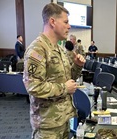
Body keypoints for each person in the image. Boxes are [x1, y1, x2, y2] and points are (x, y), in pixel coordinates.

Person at [23, 3, 85, 139]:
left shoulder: (59, 49)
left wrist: (77, 65)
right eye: (66, 22)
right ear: (52, 21)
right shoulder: (38, 49)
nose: (69, 26)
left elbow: (69, 79)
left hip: (62, 120)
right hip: (47, 125)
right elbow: (33, 86)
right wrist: (64, 88)